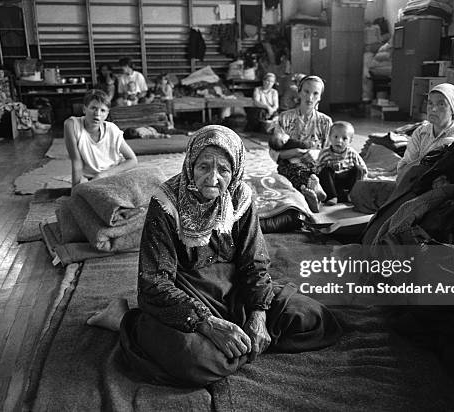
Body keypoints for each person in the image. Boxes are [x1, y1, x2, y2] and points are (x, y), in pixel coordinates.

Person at [87, 125, 342, 387]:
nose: (213, 178)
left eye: (223, 169)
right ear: (190, 165)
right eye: (204, 167)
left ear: (235, 171)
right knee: (196, 359)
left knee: (313, 318)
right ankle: (125, 321)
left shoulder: (241, 196)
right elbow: (154, 282)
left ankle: (240, 342)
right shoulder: (165, 202)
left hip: (234, 290)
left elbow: (254, 262)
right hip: (185, 294)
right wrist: (206, 323)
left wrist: (258, 314)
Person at [269, 75, 332, 212]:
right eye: (306, 91)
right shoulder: (284, 118)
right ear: (299, 92)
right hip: (290, 166)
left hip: (316, 166)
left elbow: (329, 151)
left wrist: (314, 154)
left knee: (329, 175)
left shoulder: (326, 122)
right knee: (291, 180)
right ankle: (309, 197)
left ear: (320, 96)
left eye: (315, 93)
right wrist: (296, 153)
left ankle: (311, 194)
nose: (310, 97)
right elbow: (274, 152)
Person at [397, 83, 454, 182]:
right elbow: (405, 164)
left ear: (452, 109)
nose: (433, 109)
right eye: (430, 103)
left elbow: (439, 159)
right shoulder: (420, 132)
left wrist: (412, 169)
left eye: (441, 104)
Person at [64, 89, 138, 187]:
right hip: (90, 179)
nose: (97, 113)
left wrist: (104, 175)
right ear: (84, 109)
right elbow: (76, 161)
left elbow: (132, 160)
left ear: (107, 114)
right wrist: (74, 190)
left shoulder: (112, 129)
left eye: (102, 110)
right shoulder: (72, 125)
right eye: (93, 108)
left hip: (113, 174)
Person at [317, 121, 368, 203]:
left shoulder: (352, 153)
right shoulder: (324, 153)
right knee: (325, 171)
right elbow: (317, 169)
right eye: (336, 137)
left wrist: (362, 184)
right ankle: (332, 196)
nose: (339, 141)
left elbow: (364, 169)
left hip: (347, 182)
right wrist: (328, 166)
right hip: (332, 183)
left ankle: (351, 195)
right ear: (330, 137)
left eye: (344, 138)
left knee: (358, 169)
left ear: (350, 141)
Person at [0, 63, 32, 130]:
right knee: (19, 106)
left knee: (18, 106)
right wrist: (9, 101)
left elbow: (3, 96)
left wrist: (8, 101)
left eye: (2, 72)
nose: (0, 74)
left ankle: (22, 126)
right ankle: (25, 126)